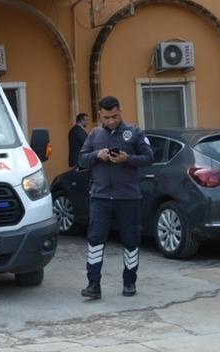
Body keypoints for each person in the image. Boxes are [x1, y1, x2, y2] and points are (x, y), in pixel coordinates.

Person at [77, 96, 153, 299]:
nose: (111, 121)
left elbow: (149, 157)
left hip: (128, 197)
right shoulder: (94, 134)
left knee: (131, 240)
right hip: (100, 197)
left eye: (114, 116)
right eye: (107, 117)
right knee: (95, 240)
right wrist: (96, 156)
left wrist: (128, 159)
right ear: (100, 115)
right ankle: (93, 285)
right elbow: (82, 159)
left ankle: (129, 282)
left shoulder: (135, 132)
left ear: (121, 111)